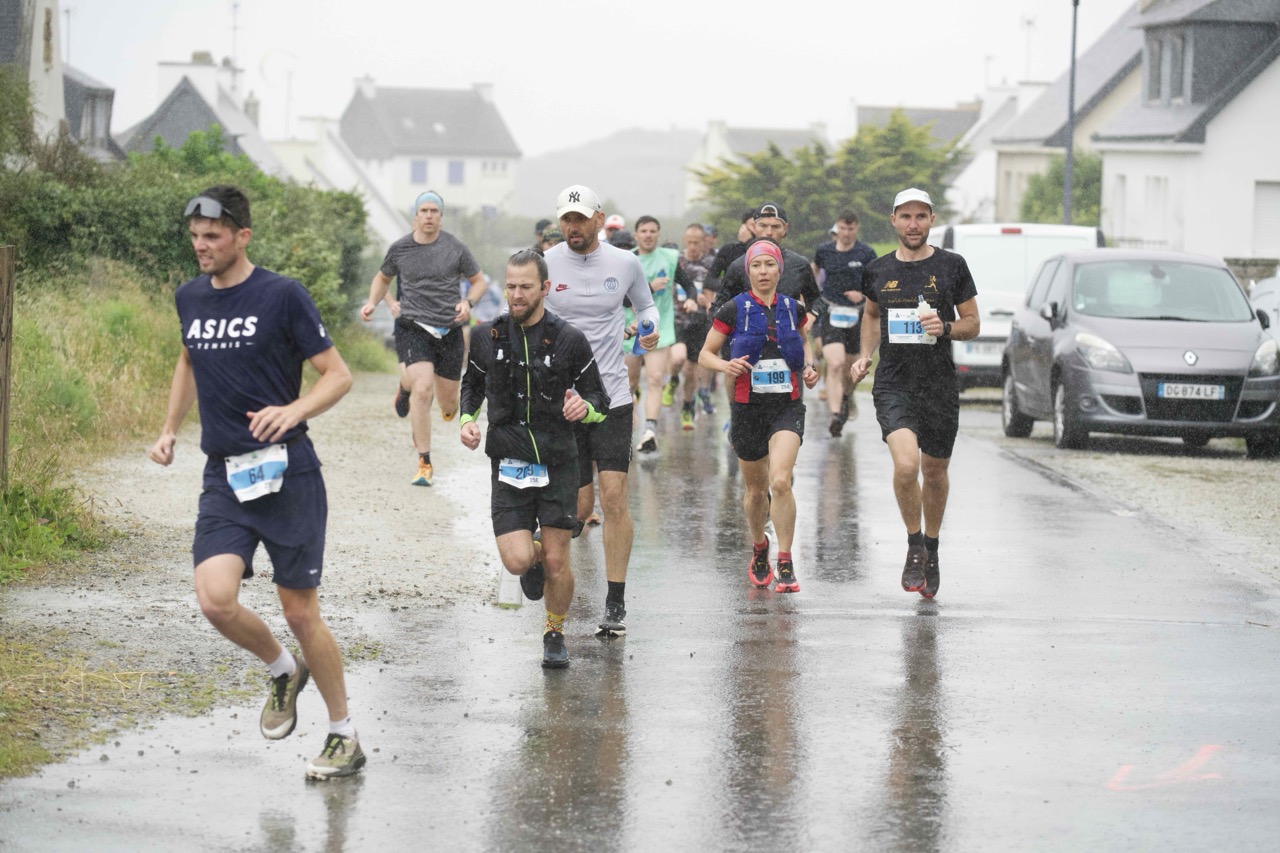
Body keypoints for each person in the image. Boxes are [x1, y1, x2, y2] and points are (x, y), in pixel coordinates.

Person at [149, 185, 364, 780]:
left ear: (242, 236)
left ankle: (344, 734)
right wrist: (169, 429)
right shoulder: (189, 297)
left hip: (287, 472)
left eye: (213, 236)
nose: (201, 246)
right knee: (215, 600)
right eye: (195, 237)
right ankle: (282, 669)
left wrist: (294, 410)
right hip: (224, 474)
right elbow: (188, 360)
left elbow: (338, 375)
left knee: (300, 612)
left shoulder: (281, 294)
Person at [459, 250, 611, 668]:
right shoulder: (487, 336)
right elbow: (471, 386)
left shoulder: (569, 340)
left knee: (559, 560)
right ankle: (534, 552)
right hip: (509, 462)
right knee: (518, 561)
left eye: (525, 287)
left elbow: (600, 399)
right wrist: (468, 421)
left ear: (545, 288)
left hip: (558, 461)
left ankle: (554, 632)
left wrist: (585, 408)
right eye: (510, 286)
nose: (516, 294)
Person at [850, 188, 981, 600]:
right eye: (905, 216)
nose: (913, 224)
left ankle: (933, 549)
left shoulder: (952, 265)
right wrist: (864, 355)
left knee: (935, 471)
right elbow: (872, 314)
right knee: (907, 466)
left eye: (920, 216)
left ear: (931, 220)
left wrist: (947, 327)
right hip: (894, 383)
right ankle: (914, 544)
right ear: (893, 220)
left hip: (939, 384)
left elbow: (973, 322)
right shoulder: (877, 269)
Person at [544, 184, 658, 637]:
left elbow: (646, 307)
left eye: (580, 218)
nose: (572, 226)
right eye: (566, 219)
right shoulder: (546, 263)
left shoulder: (625, 263)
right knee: (578, 506)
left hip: (612, 397)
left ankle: (615, 600)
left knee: (614, 498)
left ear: (598, 218)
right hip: (564, 401)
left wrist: (647, 329)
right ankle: (543, 561)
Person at [699, 239, 819, 593]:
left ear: (779, 270)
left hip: (787, 406)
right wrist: (725, 365)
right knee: (755, 491)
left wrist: (810, 367)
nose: (763, 272)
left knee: (780, 481)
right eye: (756, 265)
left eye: (769, 265)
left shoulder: (793, 308)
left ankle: (786, 560)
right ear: (748, 271)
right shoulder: (733, 309)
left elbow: (804, 341)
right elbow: (706, 353)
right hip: (747, 407)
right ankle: (759, 546)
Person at [360, 191, 487, 487]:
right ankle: (424, 462)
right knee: (423, 388)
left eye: (434, 211)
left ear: (441, 217)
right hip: (412, 325)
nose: (429, 216)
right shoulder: (400, 248)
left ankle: (406, 385)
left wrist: (468, 302)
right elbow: (382, 278)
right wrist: (372, 303)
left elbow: (478, 281)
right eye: (424, 211)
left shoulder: (455, 247)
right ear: (416, 216)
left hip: (448, 329)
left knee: (449, 404)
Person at [626, 215, 689, 453]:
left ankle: (650, 430)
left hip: (658, 328)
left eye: (653, 231)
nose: (648, 235)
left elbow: (687, 283)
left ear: (658, 234)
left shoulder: (669, 258)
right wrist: (649, 289)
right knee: (629, 384)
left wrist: (692, 298)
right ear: (636, 235)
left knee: (655, 378)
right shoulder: (626, 260)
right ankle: (626, 429)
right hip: (630, 330)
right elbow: (620, 298)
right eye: (644, 231)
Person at [813, 210, 877, 436]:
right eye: (842, 228)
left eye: (850, 228)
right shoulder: (824, 251)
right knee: (835, 364)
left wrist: (863, 295)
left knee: (853, 369)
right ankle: (835, 415)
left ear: (856, 228)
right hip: (831, 313)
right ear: (836, 227)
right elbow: (813, 273)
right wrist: (812, 298)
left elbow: (876, 283)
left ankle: (846, 397)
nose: (846, 233)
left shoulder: (866, 253)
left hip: (858, 315)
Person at [671, 222, 718, 428]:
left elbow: (715, 292)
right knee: (677, 359)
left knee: (691, 371)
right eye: (689, 242)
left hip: (699, 322)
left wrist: (707, 302)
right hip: (676, 320)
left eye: (696, 243)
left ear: (704, 242)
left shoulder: (711, 264)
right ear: (684, 240)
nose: (692, 247)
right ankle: (672, 379)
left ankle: (687, 406)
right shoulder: (676, 261)